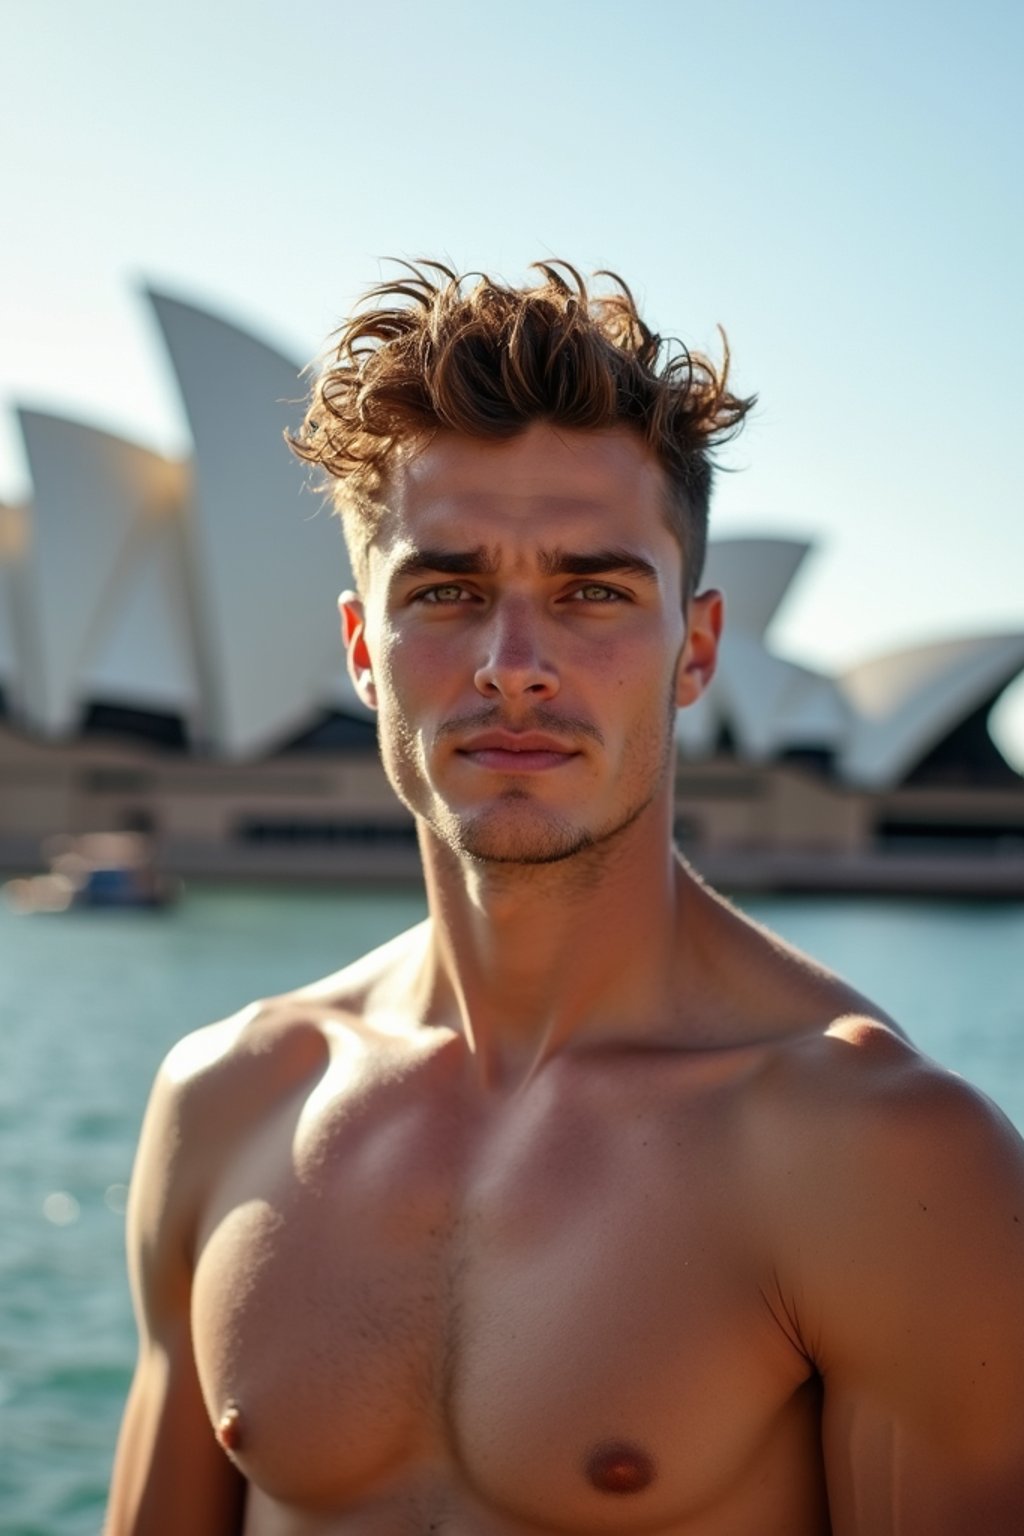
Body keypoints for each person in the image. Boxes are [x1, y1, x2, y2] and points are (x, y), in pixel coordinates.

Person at [105, 261, 1024, 1535]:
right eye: (448, 591)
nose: (515, 668)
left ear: (696, 648)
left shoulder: (879, 1157)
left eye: (593, 590)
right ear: (363, 653)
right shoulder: (227, 1097)